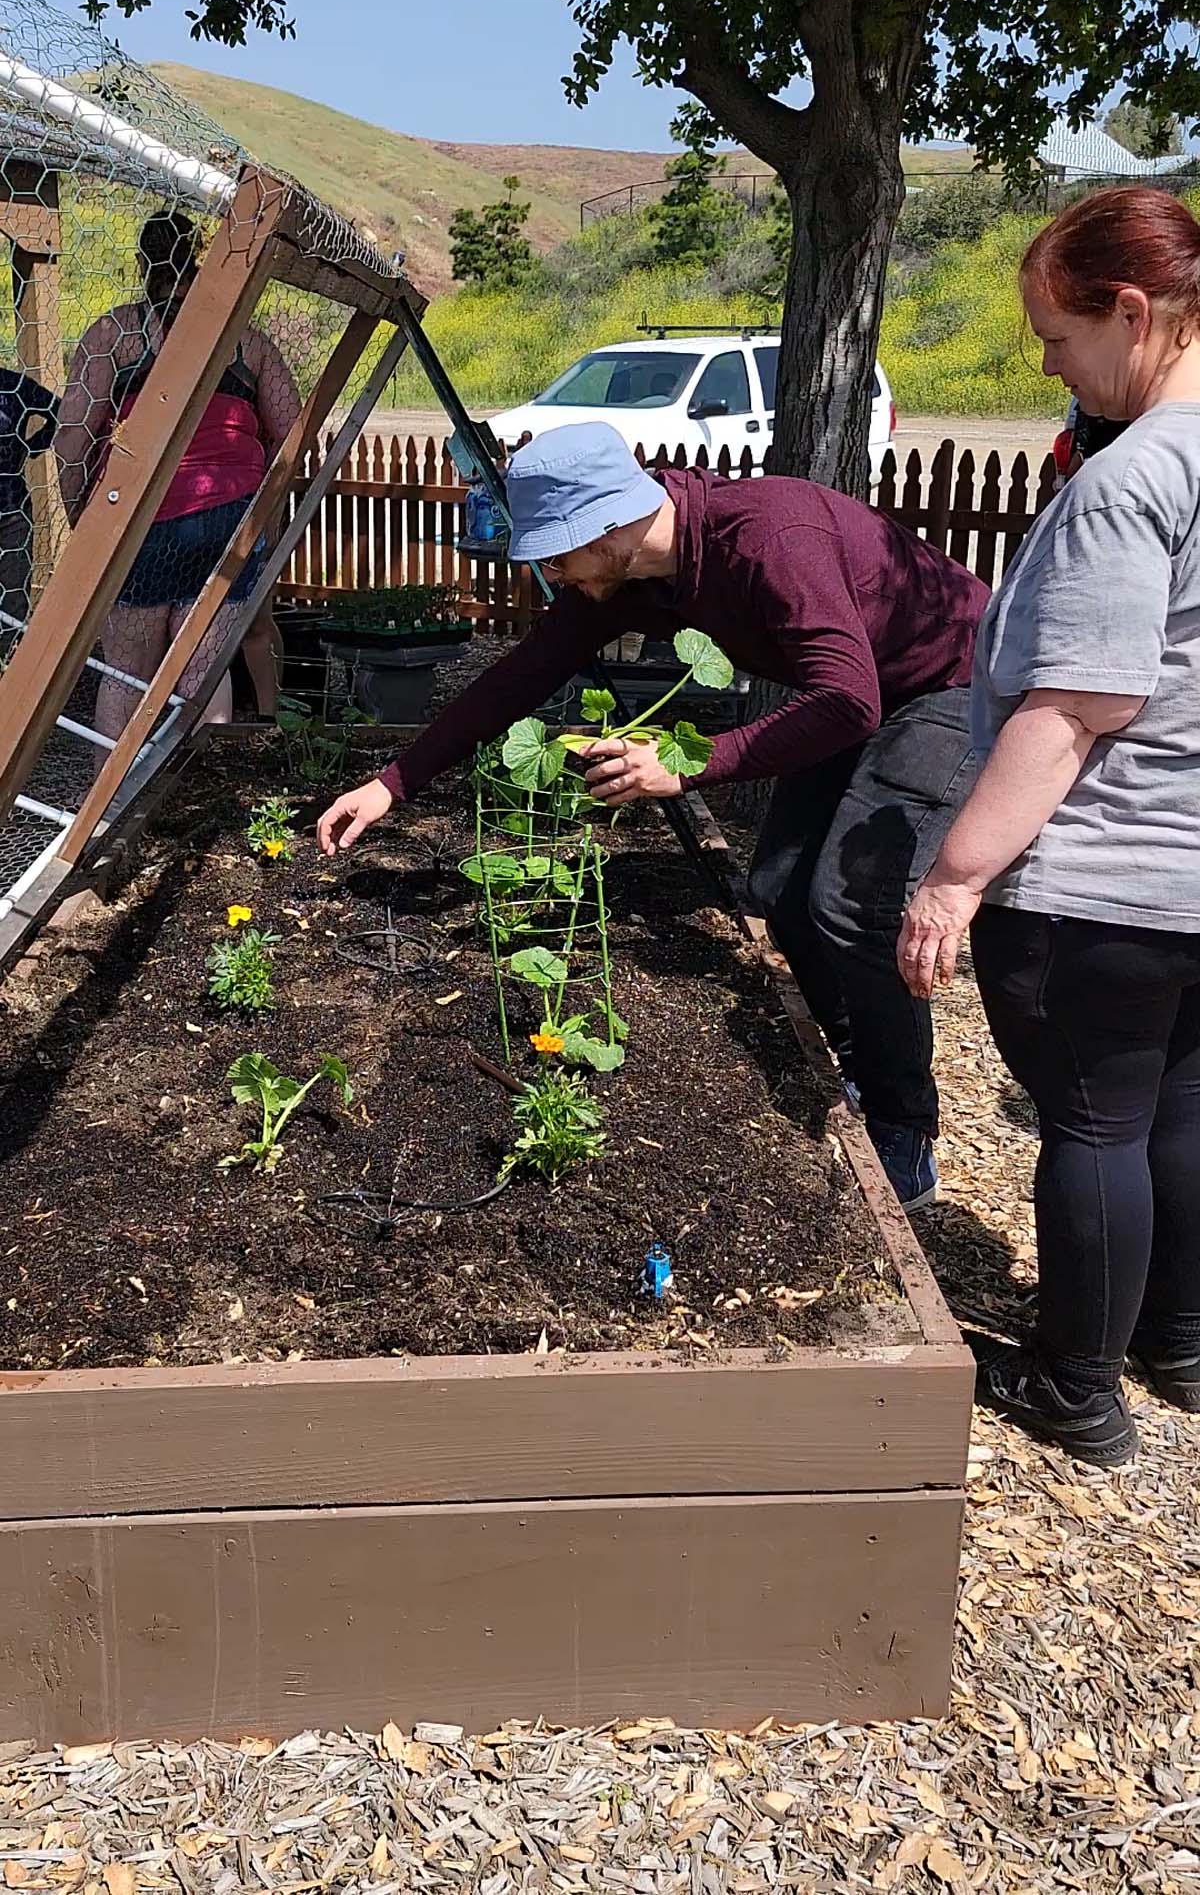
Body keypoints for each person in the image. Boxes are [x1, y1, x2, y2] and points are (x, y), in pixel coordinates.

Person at [318, 420, 988, 1208]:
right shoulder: (627, 577)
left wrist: (686, 764)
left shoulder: (772, 540)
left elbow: (846, 699)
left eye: (559, 555)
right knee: (778, 886)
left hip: (952, 683)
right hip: (860, 689)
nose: (557, 575)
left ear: (604, 527)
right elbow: (517, 678)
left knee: (848, 902)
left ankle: (904, 1129)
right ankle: (850, 1058)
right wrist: (394, 781)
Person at [899, 183, 1200, 1468]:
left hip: (1108, 875)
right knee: (1178, 1108)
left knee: (1093, 1123)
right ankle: (1178, 1340)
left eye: (1058, 338)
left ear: (1133, 314)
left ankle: (1077, 1389)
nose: (1045, 363)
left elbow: (1075, 709)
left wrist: (956, 877)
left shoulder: (1135, 479)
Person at [55, 211, 301, 736]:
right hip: (229, 522)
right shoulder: (243, 340)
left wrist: (80, 515)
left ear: (143, 263)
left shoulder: (116, 334)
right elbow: (290, 427)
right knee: (202, 671)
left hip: (147, 518)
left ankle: (113, 803)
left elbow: (73, 435)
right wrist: (268, 514)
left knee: (127, 672)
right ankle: (193, 789)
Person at [0, 366, 58, 624]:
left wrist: (34, 445)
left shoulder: (14, 385)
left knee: (14, 602)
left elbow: (61, 411)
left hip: (12, 512)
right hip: (13, 506)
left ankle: (11, 659)